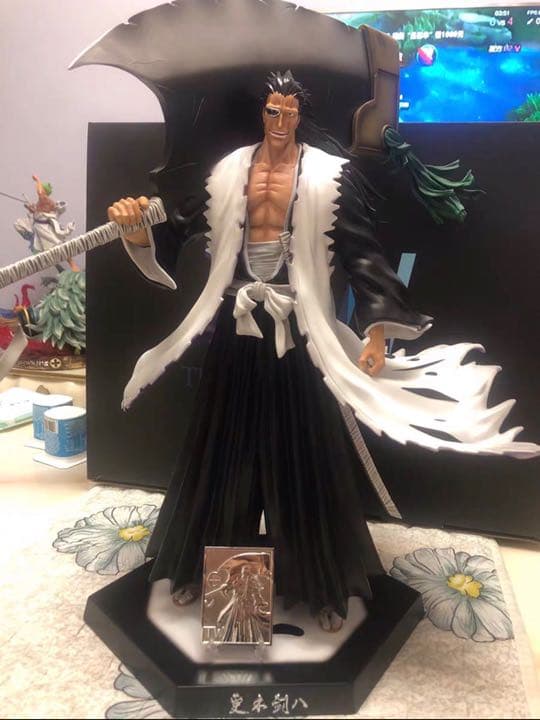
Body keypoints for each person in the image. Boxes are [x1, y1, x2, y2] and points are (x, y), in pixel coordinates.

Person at [108, 71, 538, 631]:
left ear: (300, 116)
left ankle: (317, 586)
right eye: (272, 110)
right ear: (262, 112)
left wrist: (377, 330)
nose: (279, 121)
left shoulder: (329, 176)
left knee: (304, 455)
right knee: (226, 454)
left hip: (300, 330)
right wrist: (137, 231)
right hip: (239, 325)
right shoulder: (228, 170)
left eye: (289, 112)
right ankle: (222, 585)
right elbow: (181, 229)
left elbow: (362, 253)